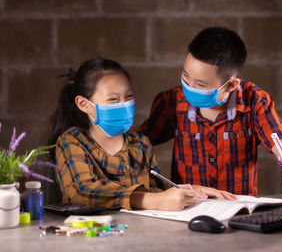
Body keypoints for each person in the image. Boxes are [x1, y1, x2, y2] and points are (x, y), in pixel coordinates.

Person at [139, 27, 282, 196]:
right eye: (185, 76)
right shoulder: (171, 102)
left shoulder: (254, 101)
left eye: (200, 85)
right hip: (188, 209)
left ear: (231, 84)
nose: (189, 87)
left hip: (238, 211)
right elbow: (135, 145)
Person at [48, 57, 235, 211]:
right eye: (113, 100)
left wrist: (190, 190)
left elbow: (156, 188)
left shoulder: (140, 143)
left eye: (128, 97)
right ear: (83, 104)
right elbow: (82, 191)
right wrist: (150, 200)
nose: (123, 105)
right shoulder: (71, 141)